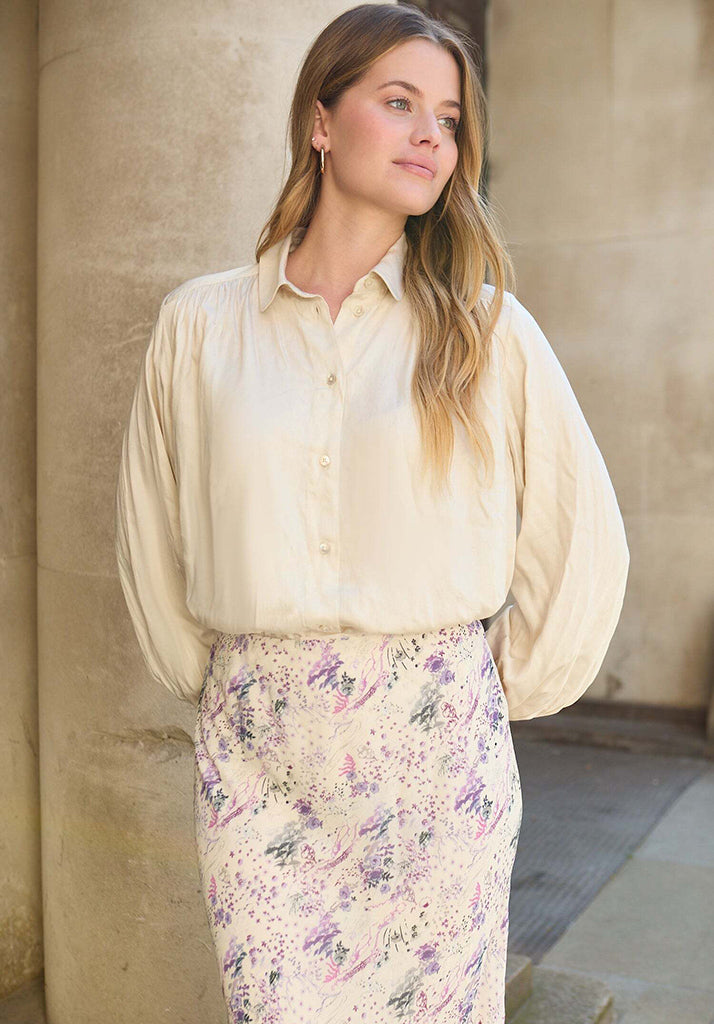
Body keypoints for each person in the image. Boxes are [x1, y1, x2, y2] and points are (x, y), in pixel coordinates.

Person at [114, 4, 630, 1022]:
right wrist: (224, 686)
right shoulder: (201, 325)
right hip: (260, 762)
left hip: (435, 763)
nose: (431, 134)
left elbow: (582, 538)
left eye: (447, 117)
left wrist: (480, 692)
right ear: (321, 119)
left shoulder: (486, 329)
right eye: (398, 103)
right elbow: (150, 529)